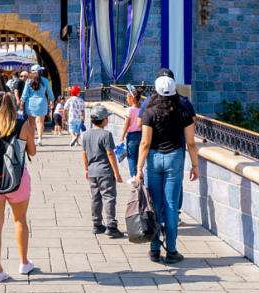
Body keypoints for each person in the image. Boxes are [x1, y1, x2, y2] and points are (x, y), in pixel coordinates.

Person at [132, 75, 200, 264]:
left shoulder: (149, 111)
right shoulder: (182, 110)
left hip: (154, 159)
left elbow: (145, 143)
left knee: (155, 205)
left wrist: (139, 168)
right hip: (174, 158)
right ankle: (171, 251)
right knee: (171, 206)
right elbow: (191, 143)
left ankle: (154, 250)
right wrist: (195, 165)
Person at [0, 91, 37, 283]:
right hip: (18, 180)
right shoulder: (23, 125)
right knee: (20, 220)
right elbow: (32, 152)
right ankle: (24, 263)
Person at [82, 105, 124, 238]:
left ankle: (97, 224)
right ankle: (111, 225)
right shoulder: (106, 134)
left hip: (93, 171)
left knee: (95, 198)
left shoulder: (86, 134)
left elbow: (84, 153)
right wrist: (117, 173)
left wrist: (86, 169)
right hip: (105, 171)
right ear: (104, 120)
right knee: (109, 197)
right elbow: (110, 154)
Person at [20, 69, 55, 140]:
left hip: (30, 103)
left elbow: (25, 94)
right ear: (40, 71)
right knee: (40, 122)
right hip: (42, 103)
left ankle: (32, 138)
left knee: (32, 123)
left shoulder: (28, 81)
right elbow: (49, 92)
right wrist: (52, 100)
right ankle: (40, 138)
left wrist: (22, 102)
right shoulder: (45, 80)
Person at [120, 88, 143, 177]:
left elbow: (127, 124)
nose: (126, 100)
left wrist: (122, 136)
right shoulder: (141, 109)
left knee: (131, 157)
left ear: (132, 99)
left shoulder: (130, 110)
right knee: (138, 156)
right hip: (140, 135)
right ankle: (139, 175)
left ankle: (134, 176)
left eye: (127, 98)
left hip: (132, 136)